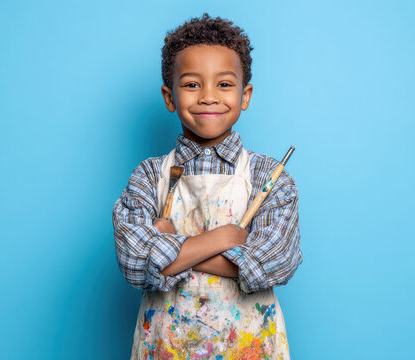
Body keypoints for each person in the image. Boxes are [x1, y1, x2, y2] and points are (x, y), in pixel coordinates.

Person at [113, 13, 302, 360]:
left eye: (224, 84)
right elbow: (134, 260)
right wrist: (221, 239)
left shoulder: (268, 176)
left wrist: (171, 248)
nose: (209, 97)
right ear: (170, 98)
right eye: (192, 84)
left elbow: (274, 262)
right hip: (167, 347)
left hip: (249, 346)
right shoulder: (149, 176)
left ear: (245, 95)